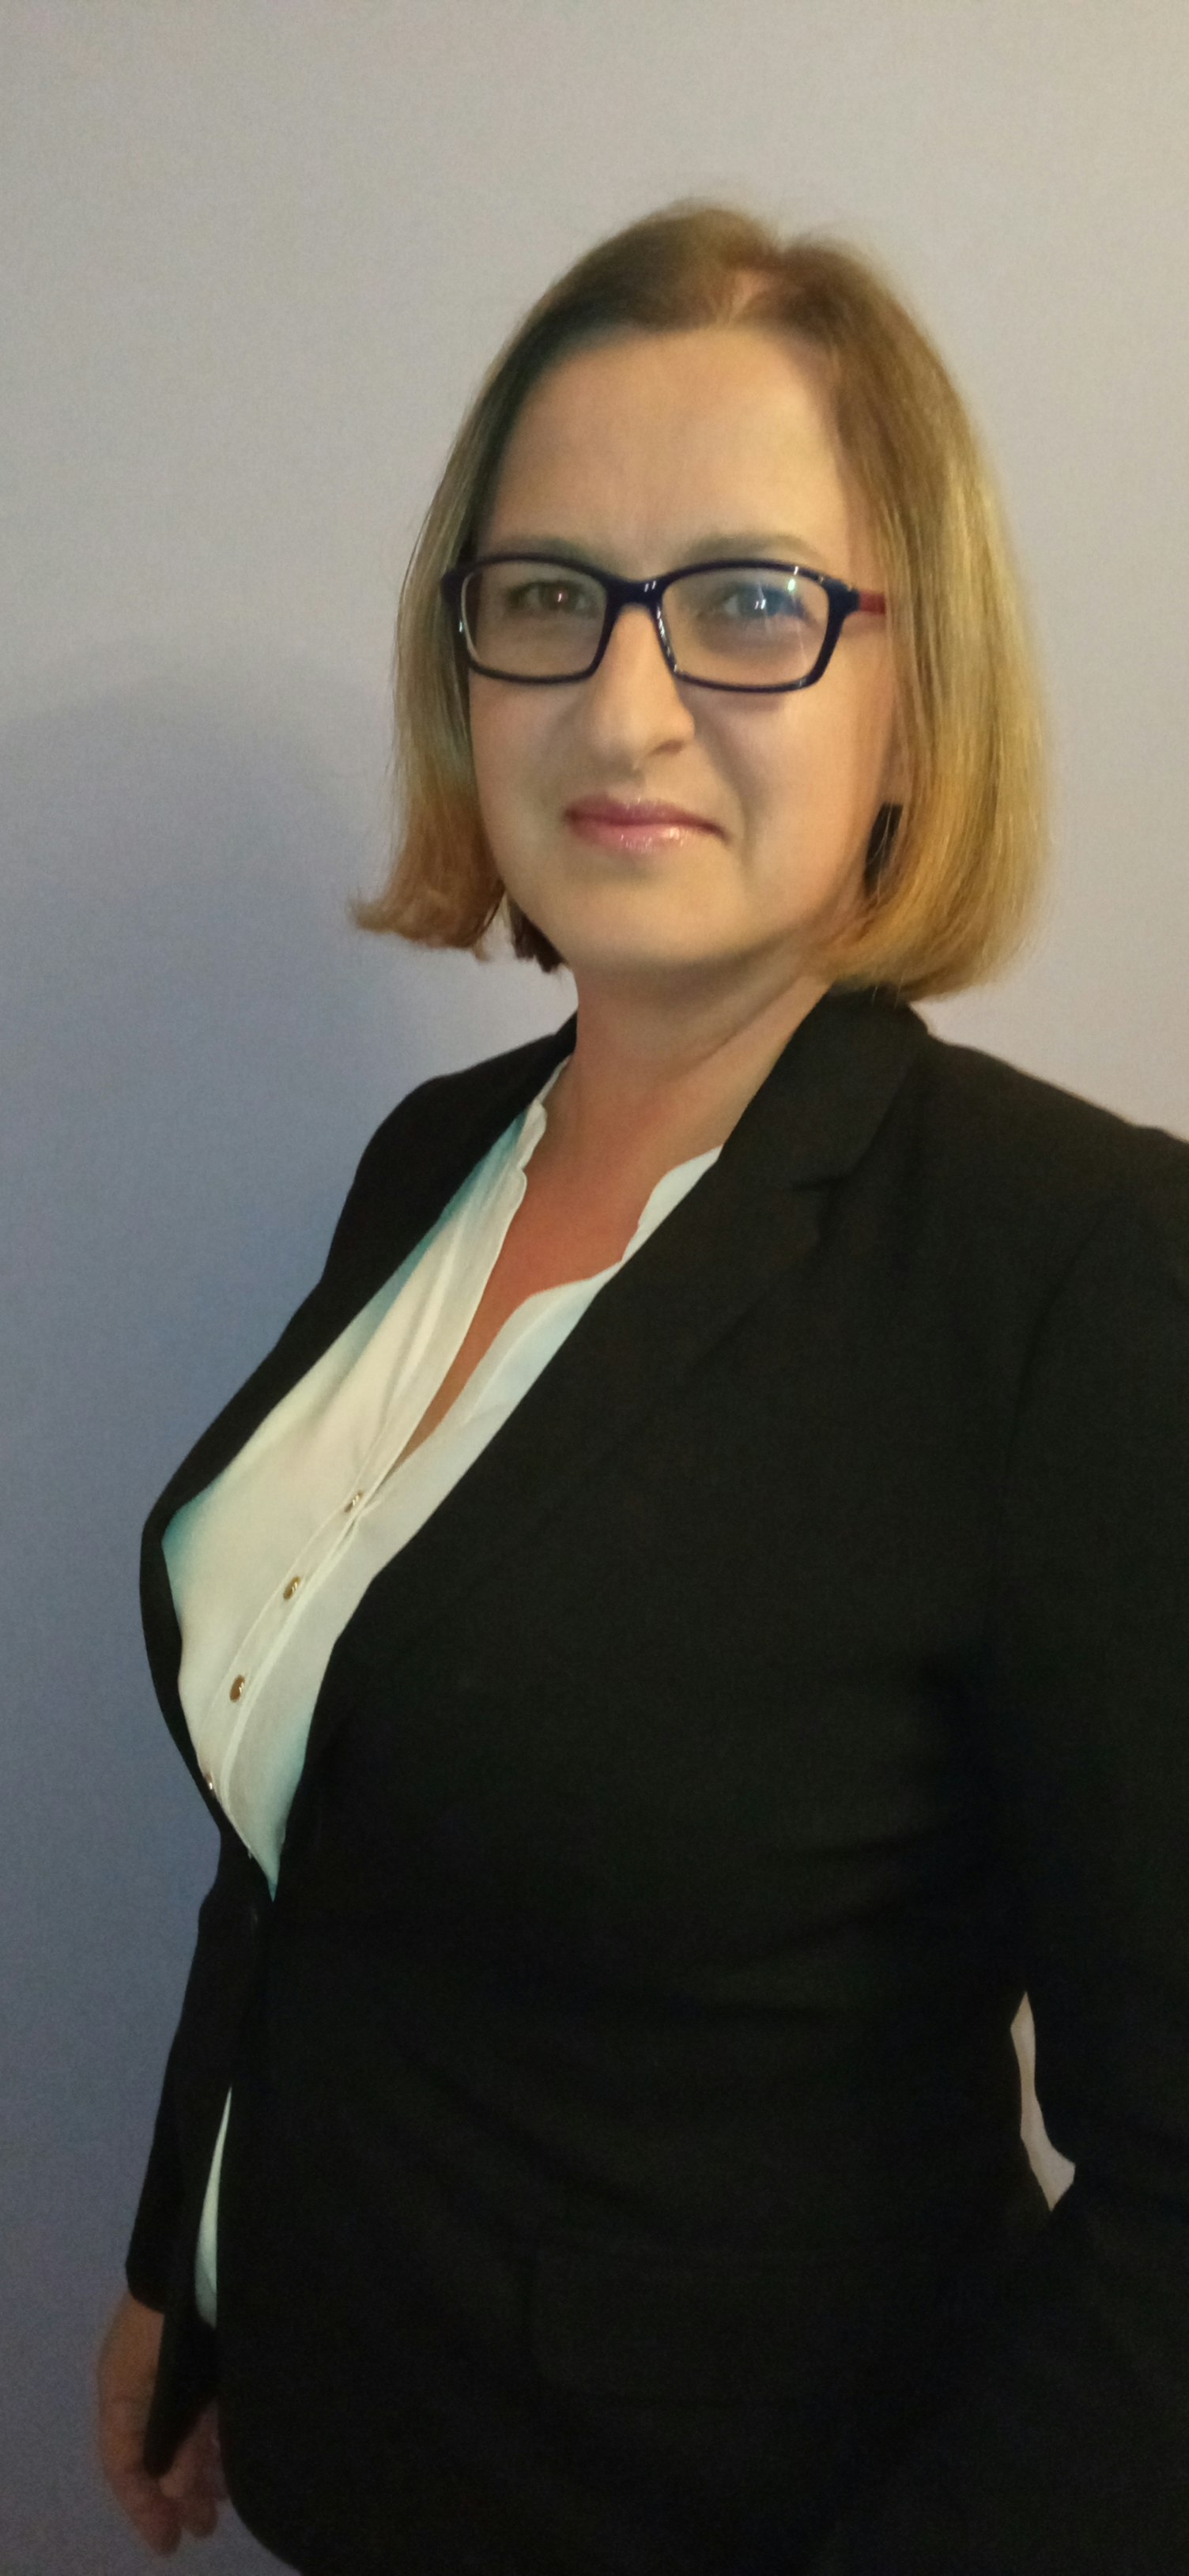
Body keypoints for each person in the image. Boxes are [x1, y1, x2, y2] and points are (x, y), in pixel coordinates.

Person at [96, 199, 1189, 2574]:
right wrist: (189, 2259)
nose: (624, 702)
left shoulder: (1080, 1274)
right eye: (549, 595)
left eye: (751, 602)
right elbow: (312, 1793)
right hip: (343, 2466)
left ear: (914, 691)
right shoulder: (428, 1165)